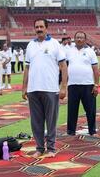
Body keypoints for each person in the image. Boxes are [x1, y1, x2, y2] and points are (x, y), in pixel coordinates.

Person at [22, 18, 67, 158]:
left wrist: (63, 87)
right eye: (37, 27)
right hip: (33, 89)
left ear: (47, 28)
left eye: (41, 26)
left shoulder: (55, 44)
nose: (39, 29)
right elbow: (27, 68)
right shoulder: (30, 45)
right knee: (36, 121)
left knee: (51, 120)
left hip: (50, 88)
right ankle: (39, 148)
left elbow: (63, 66)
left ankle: (51, 148)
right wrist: (24, 87)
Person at [66, 31, 99, 136]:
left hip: (87, 84)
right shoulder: (69, 51)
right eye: (77, 37)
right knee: (72, 109)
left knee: (90, 109)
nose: (79, 39)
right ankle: (71, 131)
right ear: (74, 39)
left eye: (81, 37)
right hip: (72, 85)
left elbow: (95, 69)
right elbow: (64, 68)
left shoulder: (90, 52)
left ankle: (92, 130)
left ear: (85, 39)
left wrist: (96, 85)